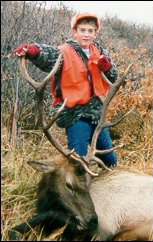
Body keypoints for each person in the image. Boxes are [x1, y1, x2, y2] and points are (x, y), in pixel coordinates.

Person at [13, 12, 118, 167]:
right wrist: (32, 50)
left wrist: (107, 67)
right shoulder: (64, 52)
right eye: (82, 30)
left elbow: (113, 76)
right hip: (74, 114)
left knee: (111, 161)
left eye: (90, 31)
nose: (86, 35)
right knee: (77, 163)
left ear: (96, 33)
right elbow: (48, 54)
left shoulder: (100, 52)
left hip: (96, 112)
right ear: (75, 32)